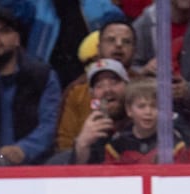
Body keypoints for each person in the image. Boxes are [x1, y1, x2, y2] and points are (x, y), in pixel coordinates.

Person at [0, 5, 62, 165]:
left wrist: (23, 149)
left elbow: (49, 126)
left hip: (33, 166)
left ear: (17, 38)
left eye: (4, 31)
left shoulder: (42, 75)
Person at [55, 19, 137, 152]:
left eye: (126, 42)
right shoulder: (77, 90)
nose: (118, 45)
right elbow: (64, 144)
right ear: (98, 48)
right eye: (111, 40)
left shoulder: (146, 87)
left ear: (135, 50)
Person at [105, 77, 190, 163]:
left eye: (154, 106)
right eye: (141, 106)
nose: (148, 112)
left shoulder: (175, 144)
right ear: (129, 110)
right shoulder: (117, 145)